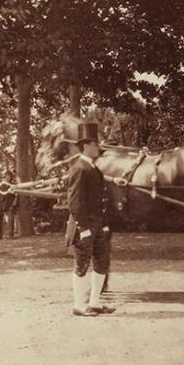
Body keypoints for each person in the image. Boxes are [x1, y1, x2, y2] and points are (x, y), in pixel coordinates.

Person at [66, 122, 115, 317]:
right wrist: (84, 228)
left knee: (102, 261)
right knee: (82, 263)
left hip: (97, 223)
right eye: (95, 144)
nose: (98, 147)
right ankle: (79, 305)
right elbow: (75, 201)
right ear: (86, 145)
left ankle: (94, 302)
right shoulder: (79, 168)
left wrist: (102, 225)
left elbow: (100, 199)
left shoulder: (93, 168)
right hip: (83, 225)